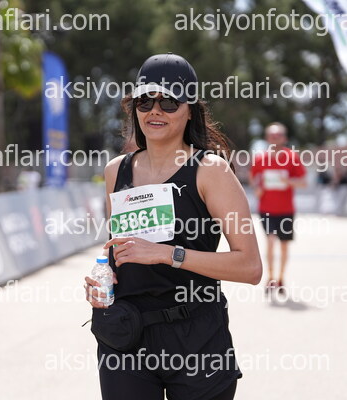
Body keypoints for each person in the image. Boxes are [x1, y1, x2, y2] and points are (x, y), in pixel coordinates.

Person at [84, 53, 262, 400]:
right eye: (145, 101)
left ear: (190, 110)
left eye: (169, 102)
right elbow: (119, 251)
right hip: (126, 338)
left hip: (197, 340)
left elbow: (250, 267)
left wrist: (168, 254)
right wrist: (102, 281)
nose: (155, 111)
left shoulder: (210, 170)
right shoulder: (115, 171)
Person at [249, 123, 306, 292]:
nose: (275, 138)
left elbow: (303, 182)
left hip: (286, 210)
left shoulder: (292, 157)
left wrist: (288, 181)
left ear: (285, 138)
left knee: (284, 245)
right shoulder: (260, 159)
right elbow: (253, 178)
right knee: (270, 240)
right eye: (272, 135)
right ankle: (270, 277)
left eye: (278, 135)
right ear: (267, 138)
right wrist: (257, 188)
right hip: (266, 209)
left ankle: (281, 278)